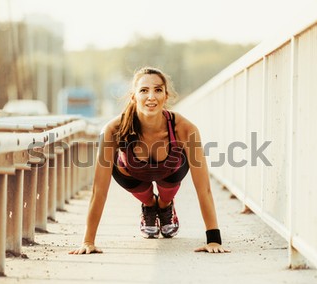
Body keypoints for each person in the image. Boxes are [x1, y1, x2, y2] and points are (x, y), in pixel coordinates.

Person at [69, 67, 230, 255]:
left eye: (158, 90)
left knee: (166, 196)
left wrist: (213, 240)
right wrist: (88, 241)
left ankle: (164, 206)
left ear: (166, 96)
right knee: (147, 198)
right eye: (144, 90)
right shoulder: (113, 129)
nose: (151, 97)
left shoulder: (184, 128)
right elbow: (99, 190)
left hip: (171, 171)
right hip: (131, 174)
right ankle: (149, 206)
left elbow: (204, 189)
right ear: (133, 96)